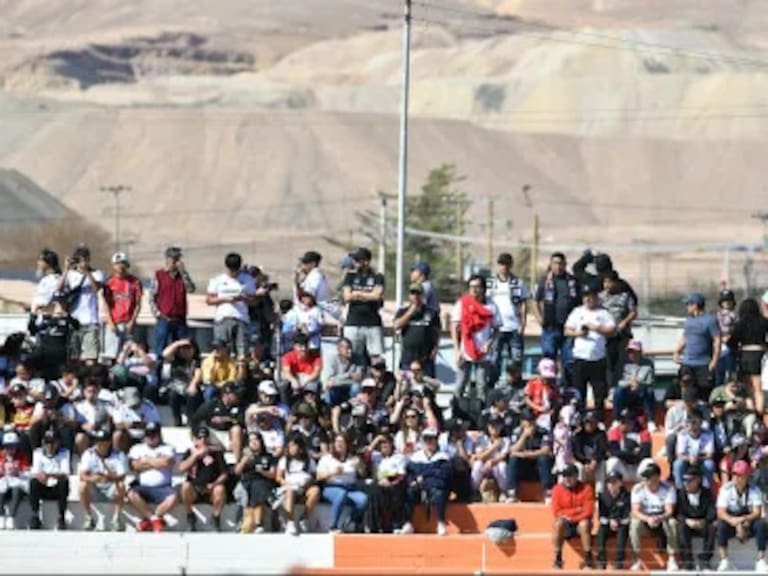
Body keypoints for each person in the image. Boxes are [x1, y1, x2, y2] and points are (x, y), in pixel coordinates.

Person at [564, 284, 616, 418]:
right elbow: (567, 330)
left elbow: (612, 329)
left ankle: (599, 419)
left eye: (590, 297)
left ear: (596, 297)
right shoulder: (577, 312)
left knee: (599, 393)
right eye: (585, 297)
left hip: (598, 359)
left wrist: (596, 328)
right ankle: (579, 418)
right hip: (580, 358)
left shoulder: (603, 313)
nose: (588, 299)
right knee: (579, 393)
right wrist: (578, 333)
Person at [451, 274, 501, 404]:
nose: (474, 290)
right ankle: (456, 410)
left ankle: (481, 411)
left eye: (477, 287)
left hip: (483, 353)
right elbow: (454, 327)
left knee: (481, 385)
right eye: (471, 287)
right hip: (465, 350)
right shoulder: (462, 303)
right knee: (460, 383)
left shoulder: (492, 306)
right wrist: (457, 350)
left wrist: (489, 343)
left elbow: (497, 329)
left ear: (483, 289)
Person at [149, 246, 196, 379]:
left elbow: (191, 289)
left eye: (177, 259)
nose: (175, 262)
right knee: (160, 351)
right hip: (164, 319)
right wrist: (158, 314)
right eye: (173, 259)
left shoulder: (182, 277)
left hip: (179, 319)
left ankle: (179, 378)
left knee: (181, 351)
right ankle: (156, 379)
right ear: (167, 260)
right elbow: (152, 297)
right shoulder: (159, 275)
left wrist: (184, 273)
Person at [715, 460, 768, 571]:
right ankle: (724, 560)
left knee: (762, 524)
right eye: (734, 474)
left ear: (746, 476)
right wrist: (733, 522)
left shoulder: (754, 489)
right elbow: (720, 512)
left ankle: (761, 560)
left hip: (748, 520)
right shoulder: (726, 489)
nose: (736, 477)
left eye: (739, 475)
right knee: (721, 524)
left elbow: (757, 512)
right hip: (731, 521)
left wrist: (742, 521)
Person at [126, 422, 177, 532]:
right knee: (131, 494)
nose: (151, 437)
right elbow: (135, 466)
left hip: (163, 487)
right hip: (142, 487)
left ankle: (149, 521)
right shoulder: (136, 448)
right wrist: (157, 462)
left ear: (159, 434)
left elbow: (166, 462)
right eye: (148, 434)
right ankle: (155, 519)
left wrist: (146, 460)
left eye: (154, 434)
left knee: (173, 497)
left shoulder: (168, 448)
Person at [534, 252, 580, 373]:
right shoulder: (544, 281)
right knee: (548, 361)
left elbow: (579, 304)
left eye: (561, 264)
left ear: (565, 265)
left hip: (568, 329)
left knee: (569, 362)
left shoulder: (572, 282)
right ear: (550, 264)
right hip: (550, 328)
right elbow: (535, 301)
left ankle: (568, 384)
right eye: (555, 263)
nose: (558, 266)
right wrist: (540, 319)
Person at [400, 427, 451, 536]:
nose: (429, 442)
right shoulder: (416, 457)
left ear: (436, 440)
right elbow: (410, 474)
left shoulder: (443, 457)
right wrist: (414, 481)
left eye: (431, 439)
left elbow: (442, 475)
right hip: (419, 488)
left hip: (435, 487)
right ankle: (408, 523)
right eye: (426, 439)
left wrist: (423, 477)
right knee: (409, 492)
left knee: (439, 493)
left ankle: (441, 522)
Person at [57, 245, 104, 363]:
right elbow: (59, 289)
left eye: (85, 258)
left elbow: (97, 288)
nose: (82, 262)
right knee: (74, 358)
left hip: (90, 320)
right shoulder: (70, 274)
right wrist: (66, 269)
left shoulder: (96, 273)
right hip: (74, 321)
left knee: (90, 358)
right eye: (79, 258)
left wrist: (87, 272)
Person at [206, 252, 257, 361]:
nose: (234, 273)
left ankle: (240, 370)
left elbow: (254, 301)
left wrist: (244, 298)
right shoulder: (218, 280)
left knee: (242, 351)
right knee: (222, 350)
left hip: (241, 318)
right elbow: (209, 300)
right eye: (231, 270)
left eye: (236, 270)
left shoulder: (248, 280)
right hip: (222, 317)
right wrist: (225, 299)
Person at [629, 462, 679, 572]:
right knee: (634, 524)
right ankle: (636, 559)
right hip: (645, 518)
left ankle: (672, 558)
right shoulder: (638, 488)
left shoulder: (668, 488)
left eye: (648, 477)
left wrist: (660, 518)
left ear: (656, 477)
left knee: (672, 523)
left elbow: (669, 511)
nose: (646, 480)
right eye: (645, 477)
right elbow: (635, 511)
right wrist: (647, 519)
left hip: (662, 518)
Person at [486, 252, 530, 376]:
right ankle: (493, 383)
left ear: (510, 265)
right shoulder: (490, 283)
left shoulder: (518, 283)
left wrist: (523, 323)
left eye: (506, 264)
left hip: (514, 327)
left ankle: (514, 383)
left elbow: (523, 303)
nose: (504, 267)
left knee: (516, 360)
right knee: (494, 360)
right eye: (501, 264)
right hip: (496, 328)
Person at [316, 433, 369, 533]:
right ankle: (333, 526)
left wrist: (360, 465)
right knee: (341, 494)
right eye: (337, 441)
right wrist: (332, 473)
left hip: (350, 489)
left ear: (347, 444)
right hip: (331, 487)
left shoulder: (352, 458)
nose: (339, 444)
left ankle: (349, 522)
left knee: (363, 499)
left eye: (342, 442)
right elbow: (318, 477)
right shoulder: (327, 458)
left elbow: (363, 474)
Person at [179, 425, 228, 532]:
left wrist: (214, 484)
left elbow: (224, 474)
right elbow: (181, 468)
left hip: (211, 488)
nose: (203, 440)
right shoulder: (189, 452)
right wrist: (195, 456)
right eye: (200, 438)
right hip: (194, 488)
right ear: (195, 439)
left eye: (205, 437)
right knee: (185, 486)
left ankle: (215, 517)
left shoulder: (216, 452)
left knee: (220, 489)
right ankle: (190, 515)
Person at [78, 427, 128, 531]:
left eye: (103, 441)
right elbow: (82, 475)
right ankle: (89, 517)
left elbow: (122, 476)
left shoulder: (119, 454)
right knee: (82, 485)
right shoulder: (89, 453)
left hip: (111, 485)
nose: (99, 444)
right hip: (95, 485)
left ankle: (116, 519)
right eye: (97, 441)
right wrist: (93, 478)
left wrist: (109, 477)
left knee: (121, 485)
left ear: (109, 442)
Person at [341, 247, 386, 363]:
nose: (355, 263)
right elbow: (347, 296)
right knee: (353, 356)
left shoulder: (378, 277)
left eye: (358, 260)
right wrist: (367, 295)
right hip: (353, 322)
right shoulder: (350, 276)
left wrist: (357, 294)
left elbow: (377, 295)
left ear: (366, 261)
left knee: (376, 358)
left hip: (372, 323)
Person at [674, 292, 721, 402]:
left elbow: (717, 340)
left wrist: (714, 361)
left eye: (688, 304)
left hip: (703, 364)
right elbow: (685, 337)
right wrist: (677, 351)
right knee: (687, 391)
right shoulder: (688, 321)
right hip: (687, 363)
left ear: (695, 305)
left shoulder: (710, 320)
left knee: (705, 393)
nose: (687, 307)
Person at [728, 298, 768, 417]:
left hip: (744, 355)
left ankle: (750, 411)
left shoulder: (739, 324)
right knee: (758, 388)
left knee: (747, 387)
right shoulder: (764, 322)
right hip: (760, 354)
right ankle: (759, 413)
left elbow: (731, 342)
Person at [551, 464, 595, 570]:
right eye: (565, 476)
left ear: (576, 476)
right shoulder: (557, 489)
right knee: (558, 524)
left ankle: (588, 557)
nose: (567, 479)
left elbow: (588, 511)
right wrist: (576, 511)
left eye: (570, 476)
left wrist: (571, 516)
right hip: (566, 523)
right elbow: (556, 511)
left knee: (584, 524)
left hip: (581, 523)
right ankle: (558, 557)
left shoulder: (586, 488)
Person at [101, 252, 143, 361]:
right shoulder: (109, 282)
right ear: (113, 266)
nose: (120, 266)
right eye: (117, 263)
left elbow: (138, 304)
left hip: (129, 323)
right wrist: (110, 322)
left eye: (122, 263)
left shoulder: (135, 282)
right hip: (114, 323)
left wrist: (132, 321)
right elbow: (106, 304)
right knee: (112, 355)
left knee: (127, 355)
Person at [393, 283, 440, 377]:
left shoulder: (431, 312)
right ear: (409, 295)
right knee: (406, 384)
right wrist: (410, 312)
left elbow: (437, 332)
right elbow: (396, 326)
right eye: (413, 293)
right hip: (408, 357)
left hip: (425, 358)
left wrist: (436, 348)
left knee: (427, 384)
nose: (415, 296)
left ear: (422, 295)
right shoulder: (402, 311)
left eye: (418, 293)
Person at [506, 410, 554, 503]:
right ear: (522, 422)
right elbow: (512, 450)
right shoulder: (517, 432)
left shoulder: (543, 432)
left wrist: (525, 454)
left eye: (532, 420)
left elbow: (545, 450)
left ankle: (548, 492)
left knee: (544, 458)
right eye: (527, 420)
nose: (530, 423)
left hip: (538, 464)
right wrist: (524, 436)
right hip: (524, 465)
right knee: (513, 459)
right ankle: (511, 492)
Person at [600, 270, 638, 387]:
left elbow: (633, 312)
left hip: (622, 335)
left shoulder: (625, 296)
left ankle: (623, 385)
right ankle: (610, 387)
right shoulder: (601, 297)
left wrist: (625, 322)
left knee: (622, 362)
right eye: (605, 282)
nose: (607, 285)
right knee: (608, 363)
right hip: (606, 336)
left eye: (609, 282)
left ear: (616, 282)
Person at [277, 433, 320, 535]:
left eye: (293, 446)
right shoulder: (284, 461)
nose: (291, 448)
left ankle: (304, 518)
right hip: (289, 489)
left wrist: (307, 483)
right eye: (289, 446)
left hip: (304, 488)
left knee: (316, 491)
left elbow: (314, 476)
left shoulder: (309, 461)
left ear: (300, 448)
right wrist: (286, 484)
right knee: (290, 492)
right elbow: (278, 477)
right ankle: (290, 522)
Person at [190, 381, 245, 461]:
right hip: (213, 434)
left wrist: (225, 419)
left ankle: (237, 461)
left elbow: (241, 421)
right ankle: (204, 456)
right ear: (226, 395)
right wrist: (195, 436)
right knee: (202, 430)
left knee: (237, 429)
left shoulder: (240, 406)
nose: (238, 396)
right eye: (235, 394)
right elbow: (196, 419)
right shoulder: (212, 404)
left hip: (228, 436)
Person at [235, 430, 276, 533]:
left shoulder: (268, 456)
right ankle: (250, 523)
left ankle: (258, 523)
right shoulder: (245, 456)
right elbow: (237, 472)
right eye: (251, 440)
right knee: (249, 490)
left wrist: (262, 471)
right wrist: (244, 461)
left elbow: (273, 474)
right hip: (246, 482)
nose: (253, 442)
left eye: (256, 439)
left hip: (262, 482)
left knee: (258, 488)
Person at [676, 463, 716, 571]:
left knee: (712, 527)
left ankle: (705, 560)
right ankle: (687, 562)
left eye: (689, 480)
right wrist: (687, 521)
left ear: (698, 480)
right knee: (681, 527)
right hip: (687, 523)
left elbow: (712, 511)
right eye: (684, 480)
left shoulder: (707, 493)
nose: (686, 483)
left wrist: (704, 521)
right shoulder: (680, 494)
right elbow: (677, 512)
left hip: (703, 523)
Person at [28, 428, 70, 530]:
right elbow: (35, 472)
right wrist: (42, 476)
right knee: (33, 482)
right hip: (43, 486)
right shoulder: (37, 453)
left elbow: (65, 473)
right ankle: (35, 516)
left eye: (52, 443)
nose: (50, 446)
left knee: (63, 483)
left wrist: (48, 474)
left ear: (58, 442)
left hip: (57, 488)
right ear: (43, 442)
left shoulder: (64, 453)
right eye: (47, 443)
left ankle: (61, 517)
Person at [613, 340, 656, 431]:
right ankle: (616, 420)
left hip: (641, 391)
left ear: (640, 352)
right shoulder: (623, 363)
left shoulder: (648, 363)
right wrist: (630, 383)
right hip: (627, 391)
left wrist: (639, 384)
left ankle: (651, 421)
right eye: (630, 352)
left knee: (649, 391)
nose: (632, 354)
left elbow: (650, 381)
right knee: (617, 391)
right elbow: (619, 381)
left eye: (634, 352)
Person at [162, 338, 202, 426]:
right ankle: (177, 419)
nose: (185, 350)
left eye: (188, 348)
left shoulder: (197, 361)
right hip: (176, 386)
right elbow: (164, 354)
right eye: (182, 348)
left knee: (192, 394)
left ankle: (191, 419)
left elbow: (198, 374)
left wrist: (193, 385)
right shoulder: (176, 360)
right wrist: (178, 343)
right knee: (173, 394)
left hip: (191, 385)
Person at [597, 470, 631, 570]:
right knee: (601, 531)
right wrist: (610, 520)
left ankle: (619, 561)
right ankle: (601, 561)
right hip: (607, 523)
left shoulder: (626, 496)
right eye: (609, 482)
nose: (611, 485)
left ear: (620, 483)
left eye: (614, 482)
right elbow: (601, 515)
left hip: (622, 523)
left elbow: (627, 514)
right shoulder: (602, 496)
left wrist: (617, 521)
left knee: (622, 533)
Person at [111, 385, 162, 453]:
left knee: (155, 434)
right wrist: (127, 425)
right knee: (118, 434)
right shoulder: (120, 406)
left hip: (145, 435)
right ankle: (117, 455)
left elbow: (156, 424)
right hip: (128, 436)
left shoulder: (149, 406)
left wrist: (134, 425)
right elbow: (117, 424)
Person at [673, 410, 715, 489]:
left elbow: (710, 455)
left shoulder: (708, 434)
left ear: (701, 423)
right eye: (691, 422)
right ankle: (680, 490)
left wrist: (698, 458)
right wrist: (690, 458)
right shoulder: (682, 434)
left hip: (701, 459)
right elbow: (679, 455)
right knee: (677, 465)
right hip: (687, 459)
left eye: (696, 422)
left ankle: (707, 490)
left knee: (709, 465)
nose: (694, 425)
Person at [471, 417, 510, 502]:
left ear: (501, 426)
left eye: (497, 425)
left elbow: (503, 456)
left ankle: (504, 492)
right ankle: (474, 491)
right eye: (492, 426)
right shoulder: (482, 438)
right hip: (484, 464)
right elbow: (480, 456)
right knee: (477, 465)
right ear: (488, 427)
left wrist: (492, 461)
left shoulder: (505, 440)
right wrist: (494, 447)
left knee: (502, 466)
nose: (494, 428)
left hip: (496, 464)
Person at [607, 408, 652, 482]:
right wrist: (632, 453)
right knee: (612, 461)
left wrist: (625, 454)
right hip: (623, 469)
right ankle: (612, 488)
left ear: (633, 422)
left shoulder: (643, 432)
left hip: (638, 469)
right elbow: (614, 452)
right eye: (622, 421)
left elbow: (645, 453)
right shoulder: (614, 432)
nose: (623, 424)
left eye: (626, 422)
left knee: (649, 462)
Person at [0, 431, 31, 529]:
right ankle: (1, 516)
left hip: (17, 483)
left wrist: (18, 472)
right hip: (3, 483)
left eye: (12, 446)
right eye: (7, 447)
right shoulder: (1, 457)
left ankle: (11, 517)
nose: (9, 449)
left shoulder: (22, 457)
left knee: (16, 491)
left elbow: (27, 473)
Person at [280, 334, 322, 406]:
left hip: (308, 379)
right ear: (295, 346)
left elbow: (316, 373)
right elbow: (286, 371)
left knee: (314, 385)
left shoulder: (316, 358)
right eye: (300, 346)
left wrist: (305, 383)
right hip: (294, 378)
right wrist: (293, 380)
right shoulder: (287, 356)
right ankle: (286, 406)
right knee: (283, 383)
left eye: (306, 346)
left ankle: (311, 407)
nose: (303, 349)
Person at [573, 410, 608, 491]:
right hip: (583, 463)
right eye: (587, 422)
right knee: (578, 467)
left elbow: (602, 449)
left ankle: (599, 493)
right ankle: (579, 492)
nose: (589, 425)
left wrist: (595, 460)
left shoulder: (601, 434)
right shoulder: (579, 435)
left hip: (597, 463)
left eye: (592, 422)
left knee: (602, 464)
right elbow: (577, 452)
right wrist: (585, 462)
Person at [323, 337, 363, 407]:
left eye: (351, 348)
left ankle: (353, 407)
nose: (350, 351)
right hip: (336, 388)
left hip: (349, 387)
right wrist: (348, 375)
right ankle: (331, 408)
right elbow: (329, 379)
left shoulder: (357, 358)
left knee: (356, 386)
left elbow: (358, 378)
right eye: (347, 348)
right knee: (329, 388)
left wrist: (337, 380)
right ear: (338, 349)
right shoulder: (331, 359)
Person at [30, 248, 61, 325]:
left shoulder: (54, 280)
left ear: (48, 263)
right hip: (39, 320)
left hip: (47, 322)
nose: (38, 263)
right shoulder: (45, 280)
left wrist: (36, 308)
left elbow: (52, 302)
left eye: (40, 260)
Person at [716, 289, 738, 387]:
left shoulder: (735, 315)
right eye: (724, 301)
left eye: (729, 301)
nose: (727, 303)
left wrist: (730, 335)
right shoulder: (717, 315)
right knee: (719, 373)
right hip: (719, 346)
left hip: (731, 346)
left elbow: (737, 328)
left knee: (731, 372)